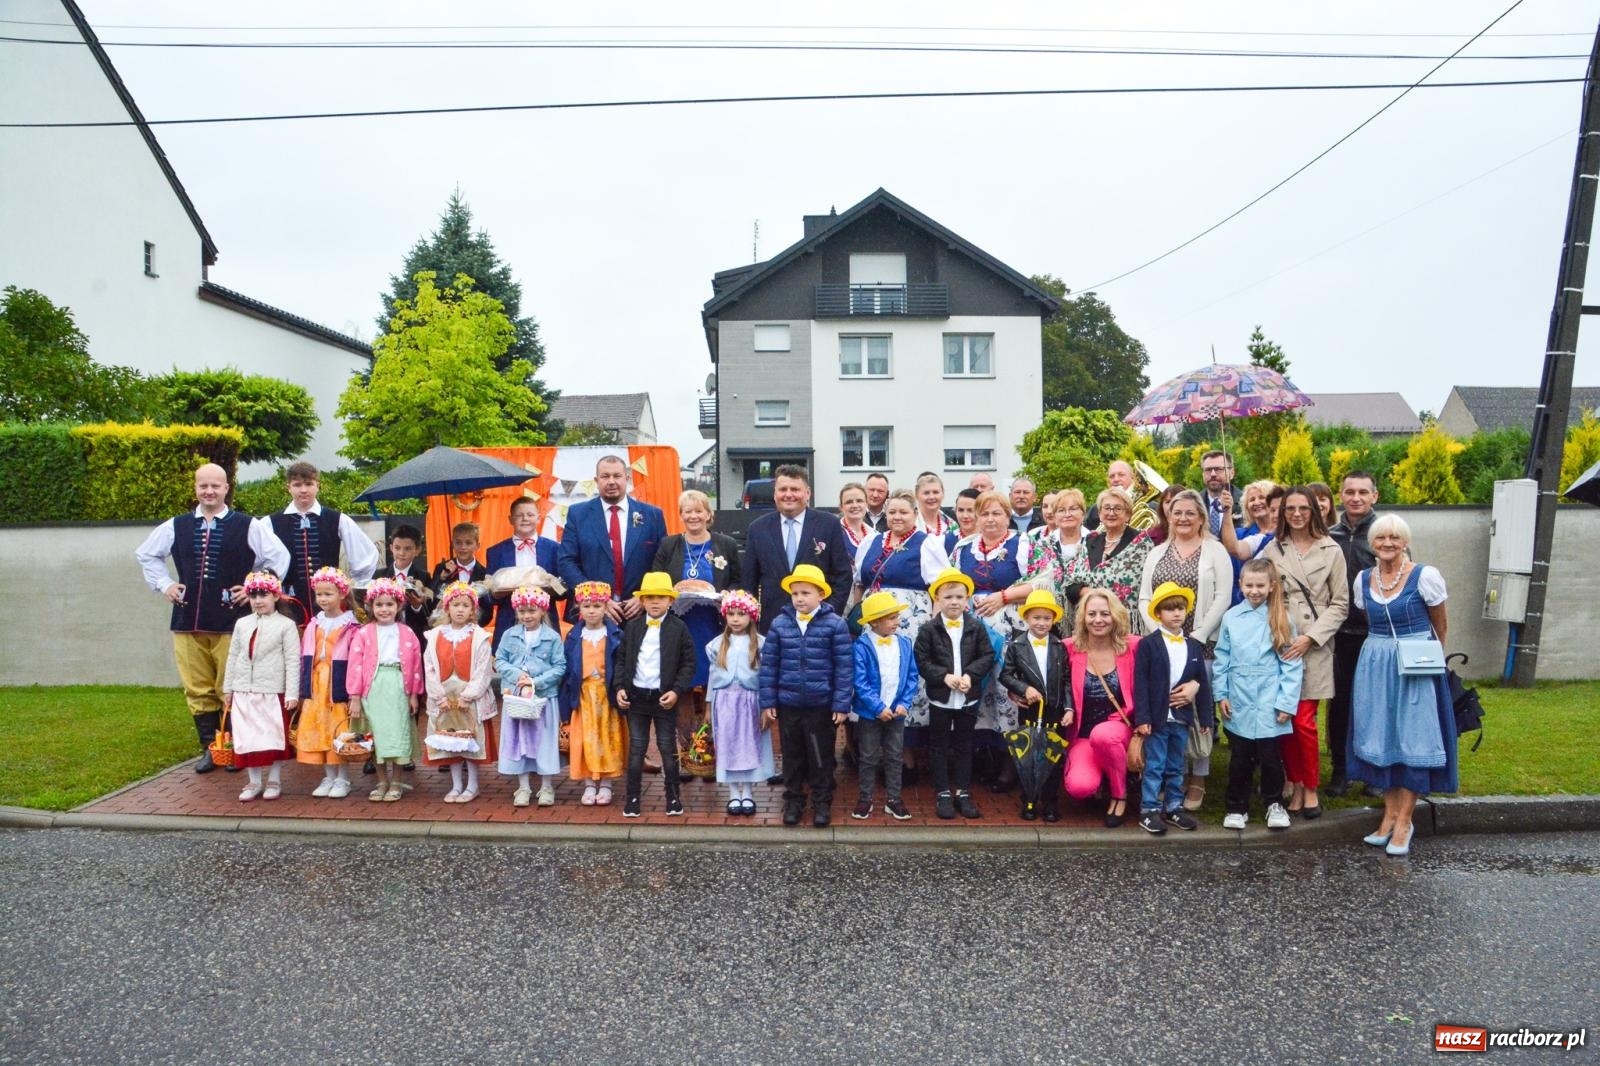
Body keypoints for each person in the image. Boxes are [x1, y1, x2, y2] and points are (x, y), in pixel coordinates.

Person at [134, 462, 289, 772]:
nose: (209, 491)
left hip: (231, 620)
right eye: (203, 486)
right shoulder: (175, 526)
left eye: (215, 486)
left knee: (230, 685)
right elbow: (146, 554)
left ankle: (231, 746)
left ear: (226, 488)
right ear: (196, 488)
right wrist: (165, 584)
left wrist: (254, 587)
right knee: (197, 687)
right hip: (186, 618)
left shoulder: (248, 525)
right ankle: (210, 748)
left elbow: (278, 558)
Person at [1348, 514, 1456, 857]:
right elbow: (1371, 620)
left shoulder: (1426, 576)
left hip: (1415, 662)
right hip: (1376, 663)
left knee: (1412, 737)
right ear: (1372, 543)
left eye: (1395, 538)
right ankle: (1389, 815)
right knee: (1382, 735)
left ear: (1405, 541)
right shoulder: (1364, 579)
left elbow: (1440, 625)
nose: (1388, 543)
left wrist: (1431, 662)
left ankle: (1406, 820)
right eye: (1381, 538)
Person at [1138, 488, 1231, 810]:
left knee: (1195, 709)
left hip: (1201, 646)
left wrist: (1198, 636)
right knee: (1167, 709)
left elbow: (1223, 596)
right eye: (1177, 513)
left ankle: (1199, 779)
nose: (1183, 518)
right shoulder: (1157, 551)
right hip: (1164, 647)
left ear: (1202, 517)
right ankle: (1167, 779)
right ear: (1168, 516)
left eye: (1190, 512)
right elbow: (1144, 599)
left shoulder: (1215, 551)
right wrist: (1159, 634)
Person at [1258, 485, 1348, 819]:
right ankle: (1293, 782)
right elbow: (1266, 597)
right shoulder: (1272, 549)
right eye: (1290, 509)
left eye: (1303, 508)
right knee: (1284, 718)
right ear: (1282, 513)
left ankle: (1310, 787)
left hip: (1315, 644)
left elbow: (1340, 603)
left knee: (1305, 722)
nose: (1296, 514)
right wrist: (1280, 635)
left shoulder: (1331, 549)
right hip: (1281, 642)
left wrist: (1310, 638)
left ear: (1315, 511)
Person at [759, 563, 853, 828]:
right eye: (795, 593)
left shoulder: (835, 625)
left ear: (821, 595)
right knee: (792, 755)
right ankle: (794, 800)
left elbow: (844, 667)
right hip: (789, 704)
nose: (800, 598)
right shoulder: (780, 624)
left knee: (821, 756)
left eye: (806, 593)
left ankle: (822, 802)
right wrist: (768, 701)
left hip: (821, 705)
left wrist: (841, 703)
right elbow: (769, 666)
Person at [1214, 560, 1302, 831]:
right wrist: (1222, 693)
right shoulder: (1231, 617)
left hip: (1269, 697)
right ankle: (1236, 806)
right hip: (1239, 695)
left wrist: (1286, 702)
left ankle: (1273, 803)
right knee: (1240, 756)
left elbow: (1291, 664)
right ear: (1240, 585)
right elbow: (1222, 657)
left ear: (1271, 587)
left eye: (1260, 585)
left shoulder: (1281, 618)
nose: (1254, 591)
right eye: (1249, 585)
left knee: (1270, 756)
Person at [651, 489, 741, 751]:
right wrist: (673, 589)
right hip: (679, 626)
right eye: (687, 511)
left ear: (708, 513)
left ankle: (710, 750)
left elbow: (737, 579)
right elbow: (656, 578)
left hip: (714, 625)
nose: (693, 516)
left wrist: (728, 593)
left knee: (714, 686)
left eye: (699, 510)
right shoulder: (669, 545)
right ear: (680, 515)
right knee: (684, 687)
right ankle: (689, 752)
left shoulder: (725, 544)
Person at [950, 490, 1040, 748]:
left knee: (1006, 686)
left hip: (1011, 628)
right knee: (973, 684)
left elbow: (1045, 581)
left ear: (1007, 515)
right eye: (984, 513)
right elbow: (949, 586)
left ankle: (1009, 760)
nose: (990, 519)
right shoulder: (962, 547)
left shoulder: (1024, 543)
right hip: (971, 629)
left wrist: (1004, 596)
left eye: (996, 513)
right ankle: (979, 752)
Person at [915, 568, 995, 821]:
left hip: (967, 697)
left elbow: (987, 655)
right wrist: (944, 676)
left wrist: (971, 675)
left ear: (967, 599)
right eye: (948, 597)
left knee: (964, 745)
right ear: (937, 599)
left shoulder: (976, 626)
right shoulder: (929, 629)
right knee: (939, 745)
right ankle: (942, 792)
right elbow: (922, 660)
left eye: (960, 597)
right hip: (941, 697)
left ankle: (962, 791)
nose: (954, 602)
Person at [615, 572, 697, 818]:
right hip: (637, 697)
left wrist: (676, 690)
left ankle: (673, 797)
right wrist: (620, 687)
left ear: (670, 601)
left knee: (667, 748)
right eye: (649, 597)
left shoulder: (679, 628)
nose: (654, 602)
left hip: (664, 699)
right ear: (641, 601)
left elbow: (689, 663)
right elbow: (621, 660)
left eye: (660, 597)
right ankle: (632, 798)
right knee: (637, 749)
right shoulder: (632, 626)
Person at [1134, 582, 1213, 835]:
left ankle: (1174, 806)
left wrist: (1206, 718)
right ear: (1158, 614)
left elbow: (1201, 681)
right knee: (1155, 763)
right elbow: (1141, 684)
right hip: (1157, 719)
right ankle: (1149, 809)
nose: (1176, 614)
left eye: (1180, 608)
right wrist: (1142, 717)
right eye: (1169, 609)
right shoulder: (1148, 644)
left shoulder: (1193, 646)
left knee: (1176, 764)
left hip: (1181, 717)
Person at [1062, 589, 1142, 827]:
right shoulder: (1068, 648)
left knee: (1105, 735)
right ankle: (1103, 778)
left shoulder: (1134, 646)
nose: (1098, 620)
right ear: (1083, 618)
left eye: (1105, 614)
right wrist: (1019, 690)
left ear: (1115, 616)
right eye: (1092, 614)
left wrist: (1193, 682)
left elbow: (1174, 658)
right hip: (1083, 735)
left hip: (1120, 730)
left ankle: (1119, 793)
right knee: (1079, 787)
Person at [557, 454, 669, 624]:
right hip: (591, 613)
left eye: (617, 476)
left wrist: (645, 596)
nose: (611, 481)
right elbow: (566, 561)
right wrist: (596, 598)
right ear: (596, 480)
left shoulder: (652, 515)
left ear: (627, 478)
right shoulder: (578, 514)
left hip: (640, 614)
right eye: (605, 476)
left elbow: (662, 562)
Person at [741, 464, 853, 632]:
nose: (788, 494)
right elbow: (749, 581)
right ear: (774, 494)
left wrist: (828, 615)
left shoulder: (828, 524)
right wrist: (751, 622)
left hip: (819, 626)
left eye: (795, 489)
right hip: (773, 625)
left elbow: (843, 576)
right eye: (782, 489)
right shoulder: (758, 528)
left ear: (807, 493)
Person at [221, 571, 301, 802]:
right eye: (254, 596)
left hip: (272, 690)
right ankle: (254, 781)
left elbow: (292, 661)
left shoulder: (286, 625)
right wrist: (229, 689)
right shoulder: (242, 623)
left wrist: (292, 693)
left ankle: (274, 780)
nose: (258, 600)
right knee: (248, 737)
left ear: (275, 595)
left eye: (263, 595)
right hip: (244, 689)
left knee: (272, 736)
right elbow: (233, 655)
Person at [270, 461, 379, 625]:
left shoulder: (338, 519)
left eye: (309, 484)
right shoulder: (271, 522)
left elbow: (365, 555)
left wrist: (354, 587)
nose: (303, 490)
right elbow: (260, 562)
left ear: (317, 486)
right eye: (297, 485)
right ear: (289, 487)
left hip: (331, 606)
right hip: (289, 605)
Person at [345, 576, 423, 803]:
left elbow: (416, 664)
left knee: (398, 733)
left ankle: (397, 781)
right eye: (379, 604)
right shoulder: (363, 633)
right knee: (375, 734)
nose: (384, 609)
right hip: (372, 687)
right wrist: (355, 697)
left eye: (389, 604)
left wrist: (414, 694)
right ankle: (381, 781)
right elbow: (355, 666)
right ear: (370, 606)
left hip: (399, 685)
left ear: (399, 605)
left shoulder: (407, 633)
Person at [1327, 471, 1381, 797]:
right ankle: (1341, 769)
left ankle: (1373, 771)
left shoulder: (1383, 534)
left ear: (1374, 495)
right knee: (1340, 704)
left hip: (1374, 633)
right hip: (1338, 634)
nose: (1356, 497)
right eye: (1350, 492)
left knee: (1373, 705)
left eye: (1363, 492)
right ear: (1341, 495)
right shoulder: (1330, 535)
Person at [422, 581, 499, 804]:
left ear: (473, 610)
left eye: (465, 605)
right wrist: (439, 697)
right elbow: (430, 667)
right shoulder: (435, 635)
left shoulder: (479, 636)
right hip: (445, 698)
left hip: (469, 699)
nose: (460, 609)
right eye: (455, 605)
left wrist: (469, 696)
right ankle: (456, 785)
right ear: (447, 608)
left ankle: (472, 785)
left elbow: (483, 669)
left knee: (470, 741)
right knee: (450, 741)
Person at [998, 589, 1070, 822]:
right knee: (1028, 757)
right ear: (1027, 618)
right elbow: (1006, 676)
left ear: (1053, 620)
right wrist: (1023, 688)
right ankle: (1028, 800)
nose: (1041, 623)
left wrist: (1068, 708)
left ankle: (1050, 802)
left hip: (1054, 712)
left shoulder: (1060, 647)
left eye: (1046, 618)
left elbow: (1067, 681)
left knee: (1052, 759)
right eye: (1036, 618)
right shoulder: (1017, 646)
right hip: (1029, 711)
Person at [494, 587, 566, 809]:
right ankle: (523, 786)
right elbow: (500, 660)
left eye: (532, 611)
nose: (527, 615)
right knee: (519, 741)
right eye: (522, 611)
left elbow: (560, 666)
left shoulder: (552, 637)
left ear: (542, 610)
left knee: (544, 740)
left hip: (543, 699)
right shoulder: (509, 634)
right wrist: (518, 676)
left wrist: (536, 682)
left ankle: (546, 786)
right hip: (516, 699)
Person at [850, 591, 918, 822]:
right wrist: (877, 706)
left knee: (894, 756)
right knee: (868, 756)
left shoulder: (905, 643)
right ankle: (865, 798)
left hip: (897, 712)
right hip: (871, 713)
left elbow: (911, 675)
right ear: (874, 621)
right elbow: (859, 681)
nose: (896, 622)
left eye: (897, 617)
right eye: (891, 618)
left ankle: (894, 799)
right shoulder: (861, 646)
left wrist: (904, 703)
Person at [706, 590, 772, 817]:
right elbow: (711, 678)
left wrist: (766, 706)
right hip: (724, 702)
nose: (735, 619)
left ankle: (749, 793)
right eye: (731, 614)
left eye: (741, 614)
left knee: (749, 746)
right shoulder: (717, 645)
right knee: (728, 745)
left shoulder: (762, 645)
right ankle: (734, 793)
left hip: (750, 702)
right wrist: (708, 705)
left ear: (752, 616)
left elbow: (766, 678)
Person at [296, 567, 360, 798]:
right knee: (320, 728)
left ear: (342, 594)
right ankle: (328, 776)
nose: (322, 599)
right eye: (319, 594)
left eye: (328, 594)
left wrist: (354, 693)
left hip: (337, 684)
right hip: (316, 684)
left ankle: (343, 777)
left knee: (338, 730)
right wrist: (301, 688)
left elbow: (354, 661)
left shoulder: (351, 626)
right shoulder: (314, 624)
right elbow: (304, 656)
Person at [560, 581, 626, 807]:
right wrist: (565, 704)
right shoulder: (573, 636)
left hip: (606, 695)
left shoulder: (615, 634)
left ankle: (606, 783)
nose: (592, 611)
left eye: (597, 606)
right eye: (587, 606)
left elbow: (621, 664)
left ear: (606, 607)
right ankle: (589, 782)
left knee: (606, 738)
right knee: (586, 739)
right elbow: (567, 669)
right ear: (579, 608)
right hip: (584, 695)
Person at [1061, 486, 1154, 621]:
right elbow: (1071, 584)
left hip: (1125, 622)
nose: (1111, 513)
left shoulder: (1141, 543)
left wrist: (1099, 596)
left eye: (1117, 508)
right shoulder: (1091, 540)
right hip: (1091, 621)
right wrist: (1090, 593)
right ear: (1099, 513)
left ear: (1128, 514)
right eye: (1107, 508)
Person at [485, 497, 561, 650]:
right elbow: (489, 595)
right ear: (510, 519)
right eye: (519, 515)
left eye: (530, 515)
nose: (525, 519)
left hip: (545, 623)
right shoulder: (495, 552)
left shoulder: (555, 549)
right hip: (508, 623)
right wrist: (496, 593)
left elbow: (563, 590)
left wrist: (550, 587)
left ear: (539, 518)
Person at [373, 524, 433, 641]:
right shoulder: (379, 576)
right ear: (391, 548)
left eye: (407, 548)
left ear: (417, 550)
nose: (401, 553)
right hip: (383, 635)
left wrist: (417, 607)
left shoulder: (423, 577)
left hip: (412, 635)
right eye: (397, 548)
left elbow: (428, 616)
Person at [1028, 488, 1088, 605]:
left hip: (1087, 610)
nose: (1067, 514)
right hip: (1049, 611)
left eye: (1073, 509)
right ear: (1055, 516)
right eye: (1061, 510)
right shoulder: (1042, 545)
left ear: (1083, 514)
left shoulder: (1095, 542)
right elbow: (1035, 580)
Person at [428, 522, 488, 611]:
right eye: (458, 542)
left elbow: (487, 610)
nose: (463, 547)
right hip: (445, 622)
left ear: (477, 546)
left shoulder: (484, 573)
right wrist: (441, 578)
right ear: (452, 544)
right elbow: (430, 601)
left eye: (468, 543)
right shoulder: (441, 568)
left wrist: (472, 622)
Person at [1199, 450, 1244, 535]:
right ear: (1203, 474)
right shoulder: (1194, 502)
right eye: (1208, 470)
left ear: (1232, 473)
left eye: (1218, 469)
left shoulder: (1245, 502)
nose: (1212, 474)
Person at [1085, 460, 1135, 529]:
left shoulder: (1147, 505)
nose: (1116, 479)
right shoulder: (1096, 508)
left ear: (1132, 478)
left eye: (1121, 475)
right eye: (1112, 476)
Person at [837, 482, 874, 555]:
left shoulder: (874, 535)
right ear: (841, 507)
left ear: (866, 504)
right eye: (849, 502)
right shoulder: (834, 532)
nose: (855, 505)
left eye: (859, 501)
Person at [913, 471, 952, 538]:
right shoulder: (910, 524)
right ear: (916, 495)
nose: (931, 497)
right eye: (926, 493)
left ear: (943, 494)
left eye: (935, 492)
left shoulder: (952, 524)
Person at [946, 487, 980, 555]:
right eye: (961, 510)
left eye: (970, 510)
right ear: (955, 511)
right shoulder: (947, 540)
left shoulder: (989, 539)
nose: (965, 516)